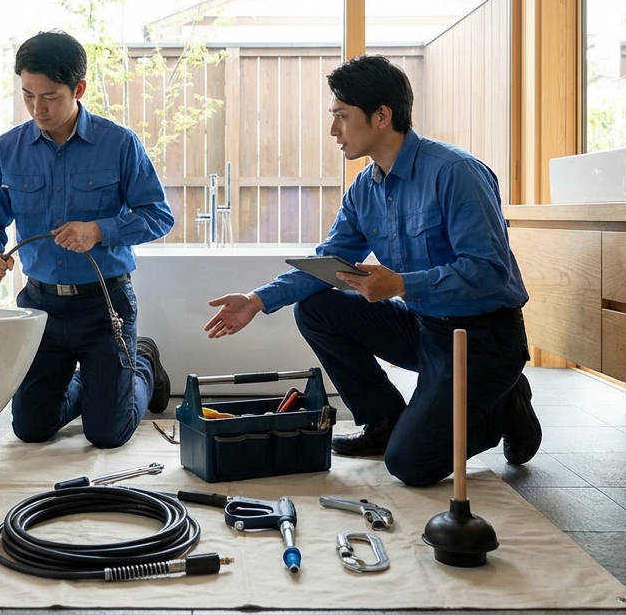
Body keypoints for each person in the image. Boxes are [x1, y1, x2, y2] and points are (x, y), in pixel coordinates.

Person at [203, 54, 541, 487]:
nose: (333, 130)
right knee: (316, 308)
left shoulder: (455, 173)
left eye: (342, 117)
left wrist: (401, 283)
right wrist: (256, 300)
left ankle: (505, 404)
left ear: (382, 116)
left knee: (411, 465)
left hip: (482, 339)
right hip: (424, 328)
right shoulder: (365, 188)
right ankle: (383, 420)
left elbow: (491, 271)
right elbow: (327, 264)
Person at [0, 30, 175, 448]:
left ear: (78, 89)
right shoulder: (6, 150)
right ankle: (100, 387)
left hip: (105, 303)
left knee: (107, 434)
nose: (37, 109)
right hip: (40, 307)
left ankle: (142, 364)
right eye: (28, 95)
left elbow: (159, 216)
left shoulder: (119, 144)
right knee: (31, 428)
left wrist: (100, 230)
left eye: (50, 96)